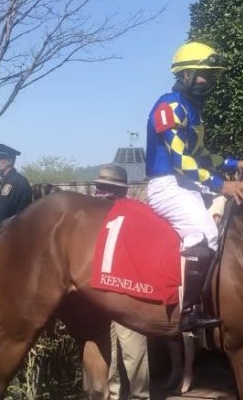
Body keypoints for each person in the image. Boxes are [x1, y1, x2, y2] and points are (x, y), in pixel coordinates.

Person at [144, 41, 243, 331]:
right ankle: (189, 311)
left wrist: (236, 164)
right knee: (205, 234)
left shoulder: (192, 109)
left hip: (186, 184)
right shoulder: (169, 106)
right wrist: (223, 185)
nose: (206, 80)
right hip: (167, 185)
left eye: (210, 75)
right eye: (201, 74)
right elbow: (182, 161)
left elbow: (202, 155)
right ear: (184, 75)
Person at [90, 165, 150, 399]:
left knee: (134, 354)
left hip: (128, 295)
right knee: (108, 354)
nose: (99, 192)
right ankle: (112, 395)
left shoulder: (137, 215)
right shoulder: (91, 217)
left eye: (105, 188)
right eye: (97, 187)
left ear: (119, 191)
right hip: (100, 296)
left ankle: (140, 397)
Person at [0, 143, 32, 238]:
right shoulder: (7, 180)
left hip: (10, 235)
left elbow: (1, 211)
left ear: (9, 161)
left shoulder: (12, 182)